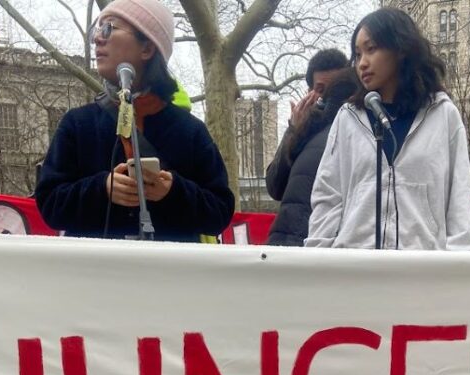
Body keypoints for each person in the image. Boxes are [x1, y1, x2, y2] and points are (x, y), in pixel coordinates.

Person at [35, 0, 234, 242]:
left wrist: (173, 192)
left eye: (108, 28)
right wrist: (102, 188)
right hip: (94, 276)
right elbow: (49, 204)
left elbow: (221, 212)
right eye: (96, 31)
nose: (98, 39)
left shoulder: (190, 130)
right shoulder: (77, 124)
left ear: (147, 48)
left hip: (168, 276)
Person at [304, 8, 470, 251]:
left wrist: (457, 263)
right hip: (355, 269)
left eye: (371, 49)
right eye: (357, 54)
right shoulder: (348, 118)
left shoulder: (442, 114)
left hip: (421, 271)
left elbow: (459, 197)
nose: (362, 63)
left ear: (401, 49)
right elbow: (328, 195)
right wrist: (319, 258)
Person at [266, 49, 350, 246]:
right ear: (310, 92)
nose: (329, 98)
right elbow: (274, 186)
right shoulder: (303, 129)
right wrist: (293, 130)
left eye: (335, 89)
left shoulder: (355, 128)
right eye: (321, 90)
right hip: (290, 241)